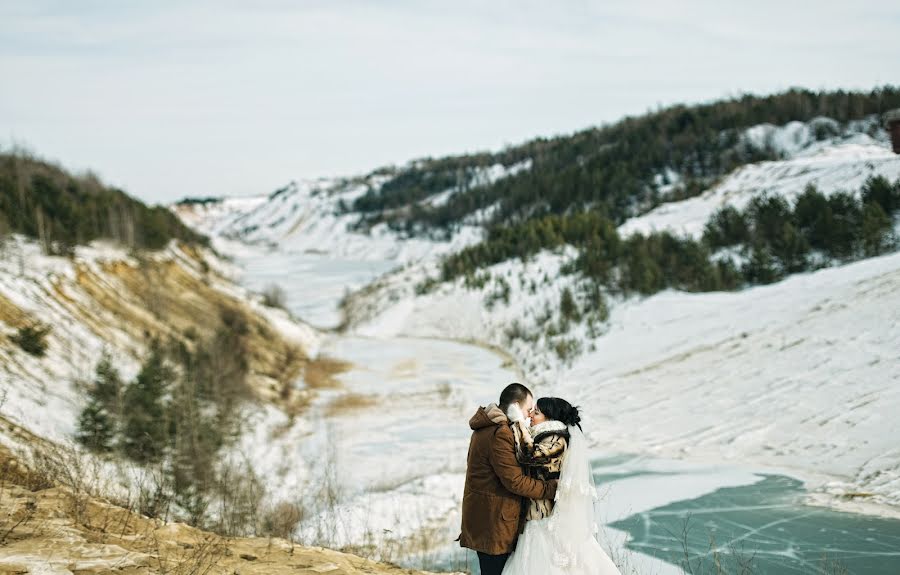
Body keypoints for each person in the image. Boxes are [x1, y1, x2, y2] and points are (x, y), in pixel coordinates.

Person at [502, 397, 622, 575]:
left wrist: (518, 423)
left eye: (537, 413)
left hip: (546, 516)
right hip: (535, 515)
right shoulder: (542, 436)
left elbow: (529, 454)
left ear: (550, 418)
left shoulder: (556, 439)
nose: (531, 416)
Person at [459, 383, 558, 575]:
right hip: (494, 522)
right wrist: (550, 489)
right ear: (514, 407)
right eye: (528, 409)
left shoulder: (491, 428)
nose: (530, 415)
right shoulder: (499, 433)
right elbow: (515, 481)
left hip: (489, 517)